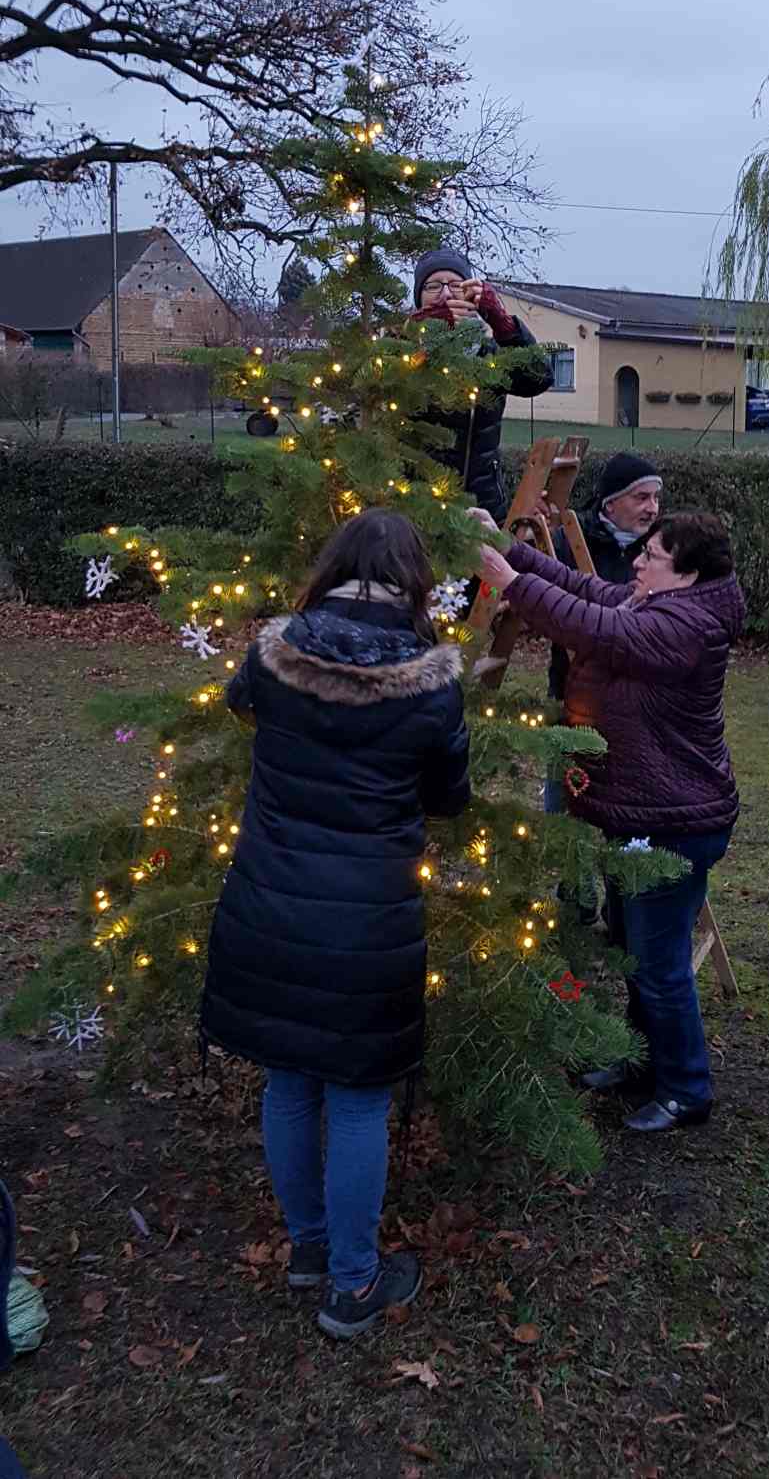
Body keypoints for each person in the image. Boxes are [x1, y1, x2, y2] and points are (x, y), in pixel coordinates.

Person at [200, 511, 470, 1340]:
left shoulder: (276, 654)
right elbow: (447, 800)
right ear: (413, 579)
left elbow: (240, 704)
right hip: (366, 922)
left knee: (289, 1081)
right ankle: (354, 1286)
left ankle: (311, 1251)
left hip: (269, 905)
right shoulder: (431, 679)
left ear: (334, 566)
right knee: (357, 1102)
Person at [474, 510, 744, 1134]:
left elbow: (590, 627)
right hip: (640, 812)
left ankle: (685, 1090)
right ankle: (640, 1060)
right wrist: (503, 545)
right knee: (632, 948)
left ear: (689, 574)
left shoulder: (685, 627)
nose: (637, 564)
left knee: (658, 962)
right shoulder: (654, 603)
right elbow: (589, 592)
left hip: (674, 820)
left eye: (653, 557)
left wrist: (508, 581)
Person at [542, 453, 662, 923]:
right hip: (573, 693)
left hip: (635, 701)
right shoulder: (569, 543)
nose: (652, 507)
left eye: (656, 497)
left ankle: (622, 906)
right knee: (565, 796)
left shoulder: (664, 550)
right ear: (612, 503)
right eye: (641, 496)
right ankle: (575, 894)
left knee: (626, 806)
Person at [410, 247, 554, 520]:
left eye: (455, 285)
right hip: (413, 510)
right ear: (418, 297)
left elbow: (538, 377)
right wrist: (430, 332)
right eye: (432, 286)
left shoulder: (487, 355)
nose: (445, 293)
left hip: (481, 510)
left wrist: (504, 325)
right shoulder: (402, 352)